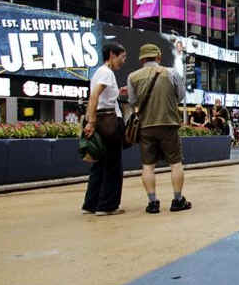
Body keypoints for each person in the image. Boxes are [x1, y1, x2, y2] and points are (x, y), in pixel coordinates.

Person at [126, 43, 191, 213]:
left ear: (141, 59)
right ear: (159, 57)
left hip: (146, 126)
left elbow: (132, 102)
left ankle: (153, 203)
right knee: (175, 163)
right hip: (169, 124)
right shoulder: (171, 73)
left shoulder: (132, 77)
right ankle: (177, 200)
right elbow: (181, 95)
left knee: (148, 166)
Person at [82, 42, 127, 216]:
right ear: (112, 55)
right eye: (122, 57)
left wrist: (90, 120)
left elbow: (97, 97)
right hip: (108, 122)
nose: (123, 61)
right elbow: (94, 96)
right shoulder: (106, 72)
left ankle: (91, 204)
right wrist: (91, 122)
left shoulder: (100, 72)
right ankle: (107, 205)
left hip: (101, 121)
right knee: (113, 165)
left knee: (99, 165)